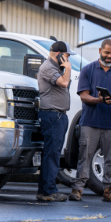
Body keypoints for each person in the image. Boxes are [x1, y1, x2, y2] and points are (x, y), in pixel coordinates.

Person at [68, 39, 111, 202]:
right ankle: (78, 189)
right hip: (90, 122)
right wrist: (99, 100)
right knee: (85, 156)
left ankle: (109, 191)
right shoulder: (88, 70)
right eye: (107, 52)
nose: (110, 56)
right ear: (100, 51)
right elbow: (83, 96)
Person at [36, 40, 76, 202]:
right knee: (51, 154)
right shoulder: (48, 68)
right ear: (59, 54)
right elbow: (64, 83)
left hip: (58, 116)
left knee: (52, 153)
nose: (68, 59)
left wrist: (64, 68)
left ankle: (45, 190)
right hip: (52, 116)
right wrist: (68, 68)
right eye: (67, 55)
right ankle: (48, 191)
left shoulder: (56, 68)